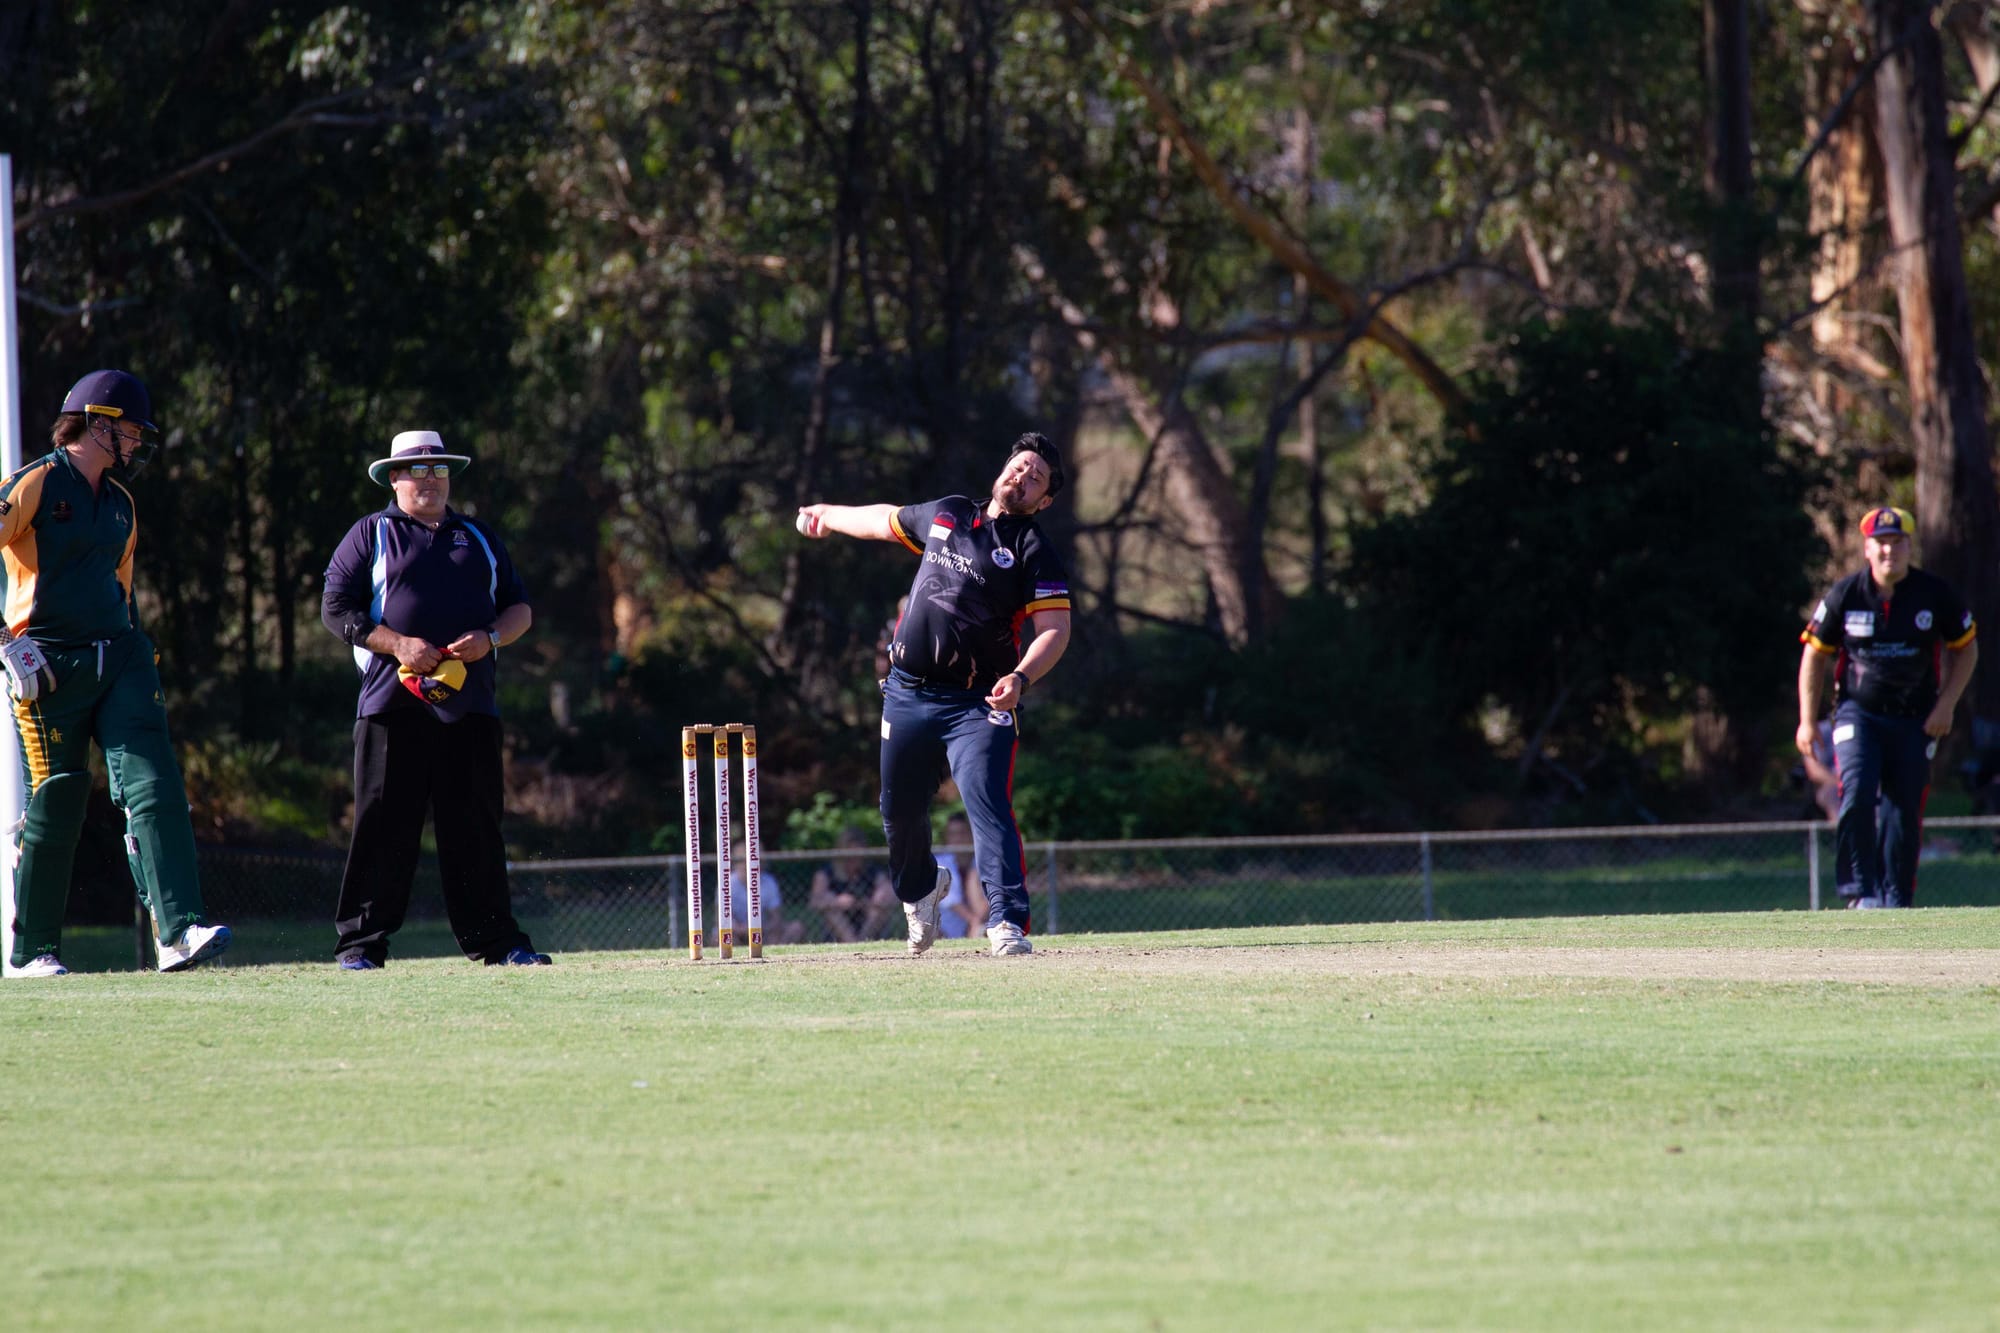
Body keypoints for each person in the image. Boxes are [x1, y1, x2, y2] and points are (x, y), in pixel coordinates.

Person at [796, 431, 1072, 956]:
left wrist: (1021, 677)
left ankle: (1006, 922)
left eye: (1036, 478)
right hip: (907, 693)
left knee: (986, 804)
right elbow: (883, 519)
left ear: (1045, 500)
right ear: (1003, 467)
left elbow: (1055, 630)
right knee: (897, 811)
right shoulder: (948, 514)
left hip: (979, 703)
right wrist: (828, 514)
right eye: (1020, 466)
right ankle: (920, 894)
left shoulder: (1033, 549)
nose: (1023, 478)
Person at [0, 370, 232, 978]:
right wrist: (5, 644)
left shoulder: (124, 506)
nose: (135, 442)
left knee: (153, 783)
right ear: (97, 423)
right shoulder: (36, 483)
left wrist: (137, 653)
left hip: (121, 655)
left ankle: (178, 932)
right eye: (128, 430)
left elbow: (122, 593)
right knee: (59, 803)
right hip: (47, 664)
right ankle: (33, 952)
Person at [321, 430, 549, 967]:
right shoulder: (370, 533)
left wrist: (489, 639)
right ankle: (361, 947)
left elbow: (520, 610)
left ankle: (498, 942)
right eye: (417, 470)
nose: (429, 479)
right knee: (383, 824)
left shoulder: (478, 535)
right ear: (393, 478)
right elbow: (336, 608)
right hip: (389, 703)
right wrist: (399, 644)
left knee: (475, 826)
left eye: (438, 470)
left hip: (471, 705)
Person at [1798, 505, 1978, 908]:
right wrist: (1807, 721)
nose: (1888, 552)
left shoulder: (1934, 594)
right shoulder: (1846, 594)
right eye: (1881, 543)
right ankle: (1861, 893)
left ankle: (1896, 898)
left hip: (1917, 719)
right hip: (1857, 714)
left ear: (1909, 546)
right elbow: (1814, 656)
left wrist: (1946, 705)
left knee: (1903, 806)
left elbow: (1966, 650)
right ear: (1867, 548)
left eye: (1897, 543)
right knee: (1857, 791)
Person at [806, 824, 898, 943]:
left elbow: (891, 895)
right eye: (850, 857)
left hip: (867, 921)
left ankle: (861, 942)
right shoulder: (826, 872)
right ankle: (852, 942)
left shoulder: (873, 871)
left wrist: (867, 902)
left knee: (880, 902)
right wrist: (837, 902)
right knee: (830, 905)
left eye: (858, 856)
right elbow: (814, 902)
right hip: (838, 925)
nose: (854, 861)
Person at [728, 837, 804, 946]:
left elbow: (776, 918)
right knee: (720, 937)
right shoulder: (728, 883)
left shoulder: (769, 882)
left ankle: (774, 958)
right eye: (743, 860)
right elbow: (720, 918)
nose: (747, 865)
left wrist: (762, 928)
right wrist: (742, 929)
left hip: (763, 932)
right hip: (737, 932)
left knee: (796, 928)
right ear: (735, 862)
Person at [935, 811, 987, 940]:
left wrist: (978, 923)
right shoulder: (939, 863)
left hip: (981, 919)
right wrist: (974, 921)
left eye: (962, 833)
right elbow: (951, 901)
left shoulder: (982, 862)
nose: (958, 839)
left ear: (971, 835)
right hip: (945, 927)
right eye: (953, 834)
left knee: (974, 880)